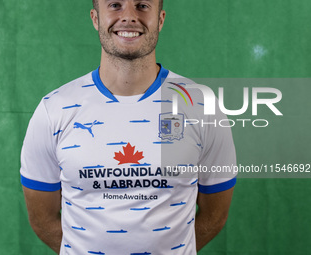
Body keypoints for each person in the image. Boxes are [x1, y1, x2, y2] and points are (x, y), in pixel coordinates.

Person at [20, 0, 237, 254]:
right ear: (95, 18)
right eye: (115, 5)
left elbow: (216, 214)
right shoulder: (54, 109)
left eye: (142, 5)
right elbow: (42, 218)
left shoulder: (201, 105)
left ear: (161, 19)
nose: (129, 16)